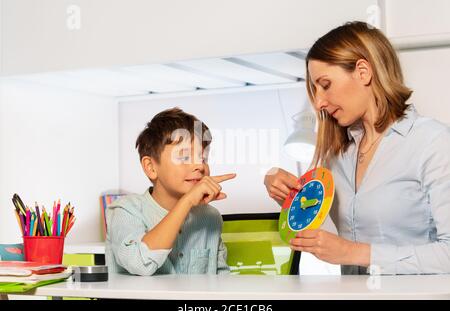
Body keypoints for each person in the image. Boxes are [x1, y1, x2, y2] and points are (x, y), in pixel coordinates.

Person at [264, 21, 450, 275]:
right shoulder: (339, 154)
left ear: (363, 72)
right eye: (315, 89)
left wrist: (355, 253)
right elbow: (329, 241)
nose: (319, 102)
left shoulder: (433, 142)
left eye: (325, 84)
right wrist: (288, 197)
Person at [106, 107, 236, 275]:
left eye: (203, 158)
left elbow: (220, 278)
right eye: (184, 157)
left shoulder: (210, 217)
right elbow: (138, 263)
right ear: (151, 167)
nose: (199, 165)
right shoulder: (125, 210)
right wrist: (186, 201)